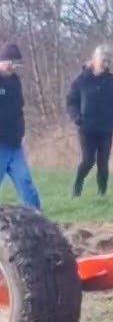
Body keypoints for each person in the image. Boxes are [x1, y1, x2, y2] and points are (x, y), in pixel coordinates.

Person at [65, 43, 113, 196]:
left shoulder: (112, 80)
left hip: (106, 128)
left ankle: (102, 193)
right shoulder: (81, 80)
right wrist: (77, 118)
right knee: (88, 159)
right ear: (94, 59)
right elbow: (71, 101)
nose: (105, 64)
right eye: (103, 60)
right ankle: (77, 185)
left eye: (108, 61)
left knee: (103, 162)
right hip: (86, 127)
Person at [0, 43, 42, 210]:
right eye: (9, 62)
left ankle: (37, 217)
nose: (12, 66)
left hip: (15, 145)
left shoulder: (16, 82)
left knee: (25, 182)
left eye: (15, 63)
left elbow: (18, 109)